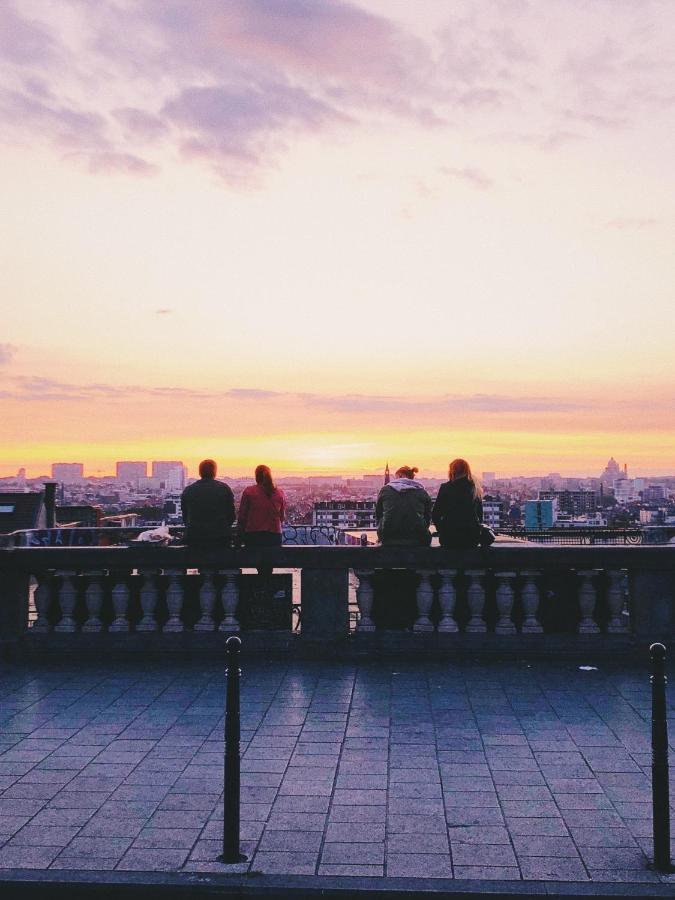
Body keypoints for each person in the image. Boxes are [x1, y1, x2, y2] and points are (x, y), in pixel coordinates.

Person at [238, 465, 286, 577]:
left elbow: (242, 517)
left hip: (254, 537)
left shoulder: (249, 492)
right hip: (274, 537)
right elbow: (282, 517)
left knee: (260, 565)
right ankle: (266, 583)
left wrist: (239, 537)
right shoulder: (279, 493)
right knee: (268, 567)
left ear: (256, 477)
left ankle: (260, 584)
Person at [181, 459, 235, 549]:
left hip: (195, 538)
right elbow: (231, 516)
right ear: (214, 472)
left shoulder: (189, 490)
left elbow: (185, 517)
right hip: (220, 538)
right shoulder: (224, 489)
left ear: (200, 472)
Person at [432, 458, 483, 549]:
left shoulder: (446, 488)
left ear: (452, 471)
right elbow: (480, 515)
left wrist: (442, 530)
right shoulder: (474, 488)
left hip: (449, 537)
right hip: (471, 538)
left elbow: (436, 514)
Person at [376, 465, 432, 546]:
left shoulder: (385, 490)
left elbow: (379, 514)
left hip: (388, 537)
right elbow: (427, 517)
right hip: (417, 538)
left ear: (400, 475)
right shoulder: (421, 491)